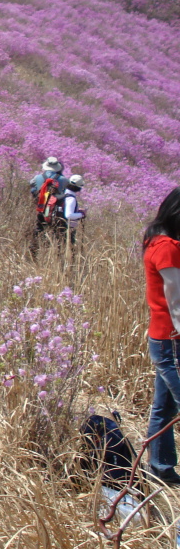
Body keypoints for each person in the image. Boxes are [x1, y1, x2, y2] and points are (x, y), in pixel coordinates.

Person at [143, 188, 180, 485]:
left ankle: (160, 468)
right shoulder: (166, 246)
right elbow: (176, 300)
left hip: (163, 337)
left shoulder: (159, 242)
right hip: (172, 339)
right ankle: (159, 468)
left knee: (164, 407)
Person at [61, 174, 86, 245]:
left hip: (60, 225)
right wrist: (82, 214)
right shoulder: (71, 198)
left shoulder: (64, 192)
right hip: (67, 228)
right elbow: (68, 215)